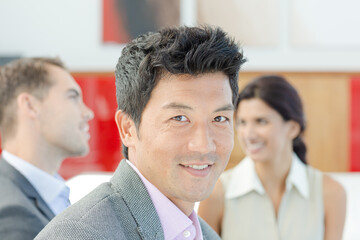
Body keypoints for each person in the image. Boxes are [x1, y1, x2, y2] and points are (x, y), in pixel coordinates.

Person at [35, 25, 246, 239]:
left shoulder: (206, 236)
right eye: (179, 118)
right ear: (127, 128)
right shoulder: (79, 235)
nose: (204, 145)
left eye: (219, 119)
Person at [198, 75, 347, 240]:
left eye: (261, 121)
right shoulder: (216, 194)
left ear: (292, 128)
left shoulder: (330, 193)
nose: (248, 134)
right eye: (242, 123)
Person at [0, 57, 94, 239]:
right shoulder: (13, 216)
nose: (88, 112)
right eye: (73, 96)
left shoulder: (44, 195)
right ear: (30, 105)